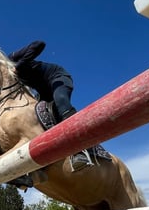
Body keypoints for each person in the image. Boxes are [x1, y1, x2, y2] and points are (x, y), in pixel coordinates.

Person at [8, 40, 91, 171]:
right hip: (43, 91)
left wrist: (18, 66)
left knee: (61, 101)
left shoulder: (12, 58)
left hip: (57, 78)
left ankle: (80, 150)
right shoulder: (5, 77)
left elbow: (39, 44)